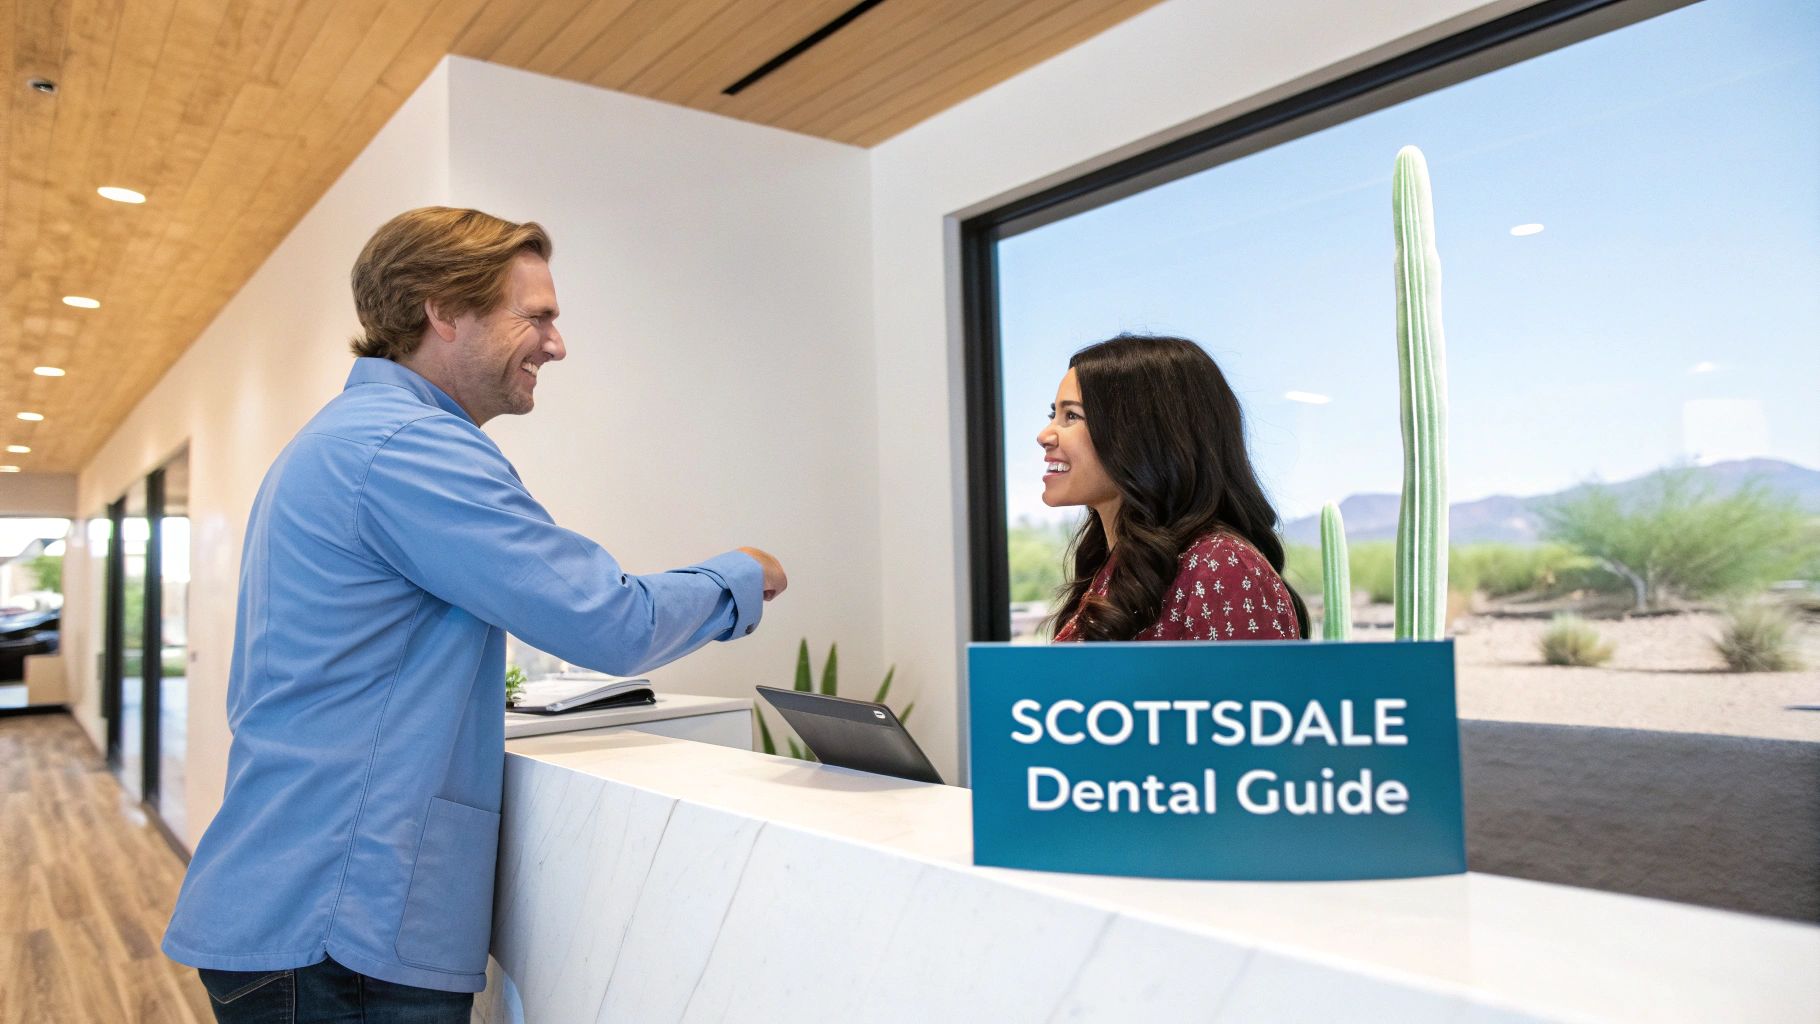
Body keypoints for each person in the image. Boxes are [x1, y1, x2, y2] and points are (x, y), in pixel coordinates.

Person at [161, 207, 788, 1022]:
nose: (556, 345)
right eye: (538, 317)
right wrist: (740, 574)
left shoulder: (348, 438)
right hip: (337, 931)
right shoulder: (408, 447)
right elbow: (607, 621)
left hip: (308, 911)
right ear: (442, 311)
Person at [1038, 334, 1307, 643]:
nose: (1045, 434)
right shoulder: (1117, 566)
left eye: (1071, 416)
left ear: (1144, 434)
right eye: (1053, 415)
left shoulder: (1220, 566)